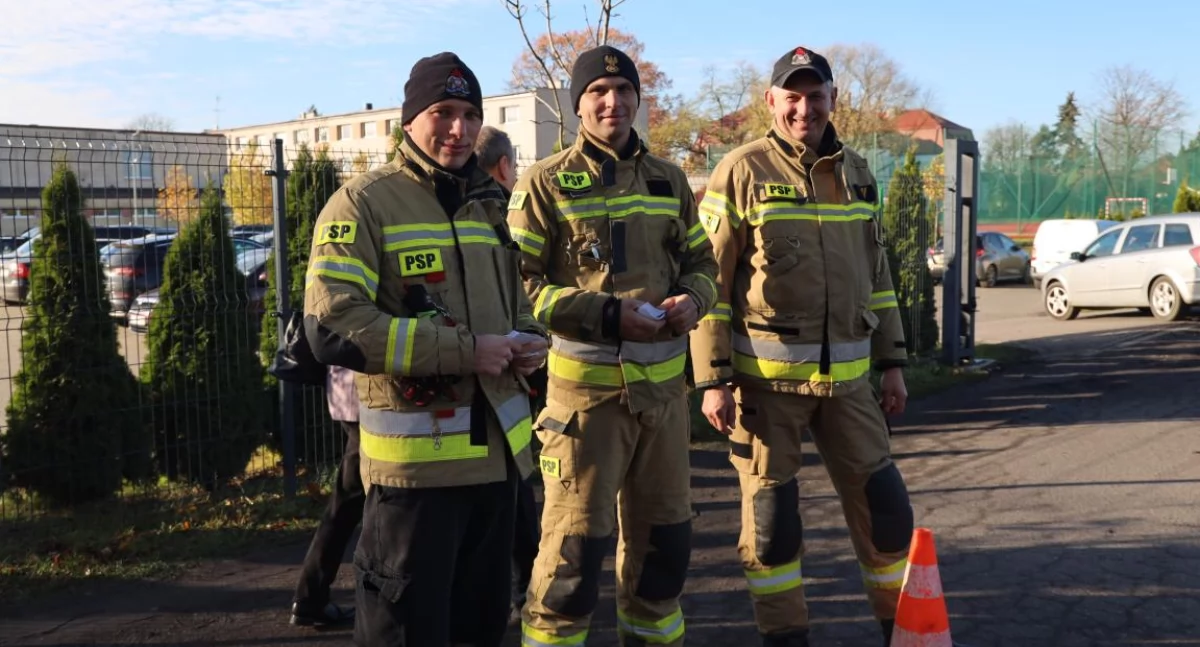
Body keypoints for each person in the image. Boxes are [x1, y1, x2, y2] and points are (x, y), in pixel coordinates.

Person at [303, 51, 548, 647]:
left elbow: (512, 303)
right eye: (442, 112)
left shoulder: (487, 205)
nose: (458, 128)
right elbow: (331, 324)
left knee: (481, 631)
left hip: (497, 471)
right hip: (415, 481)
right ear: (408, 121)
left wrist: (527, 341)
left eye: (469, 113)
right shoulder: (362, 203)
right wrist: (467, 351)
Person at [689, 46, 915, 647]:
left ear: (834, 100)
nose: (804, 109)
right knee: (773, 531)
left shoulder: (859, 173)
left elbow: (879, 275)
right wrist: (712, 378)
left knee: (889, 518)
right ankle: (786, 638)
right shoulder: (740, 170)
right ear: (771, 102)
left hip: (850, 387)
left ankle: (904, 632)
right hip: (765, 389)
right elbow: (707, 281)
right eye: (792, 97)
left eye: (816, 97)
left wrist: (892, 364)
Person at [507, 45, 719, 647]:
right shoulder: (544, 183)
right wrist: (605, 314)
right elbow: (519, 290)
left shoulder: (668, 178)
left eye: (624, 90)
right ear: (578, 104)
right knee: (570, 568)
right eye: (598, 92)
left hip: (663, 406)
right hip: (585, 411)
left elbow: (702, 262)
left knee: (663, 562)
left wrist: (692, 301)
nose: (613, 101)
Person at [474, 124, 543, 622]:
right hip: (494, 390)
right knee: (513, 496)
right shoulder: (495, 217)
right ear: (503, 168)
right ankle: (522, 596)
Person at [289, 365, 363, 627]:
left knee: (349, 502)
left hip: (350, 393)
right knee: (350, 503)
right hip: (367, 398)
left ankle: (310, 598)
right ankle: (310, 597)